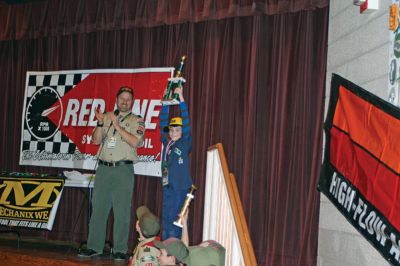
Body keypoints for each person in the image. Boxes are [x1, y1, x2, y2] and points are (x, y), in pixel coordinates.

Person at [78, 86, 145, 261]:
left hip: (123, 170)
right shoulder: (106, 117)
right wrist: (101, 123)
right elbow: (95, 140)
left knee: (122, 211)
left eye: (128, 99)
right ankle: (94, 246)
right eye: (121, 98)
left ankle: (120, 249)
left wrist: (117, 125)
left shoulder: (137, 120)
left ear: (133, 102)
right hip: (103, 169)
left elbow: (136, 142)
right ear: (116, 99)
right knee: (98, 209)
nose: (124, 102)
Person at [159, 85, 193, 240]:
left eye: (177, 130)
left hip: (180, 186)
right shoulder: (167, 143)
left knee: (177, 218)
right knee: (167, 215)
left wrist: (181, 100)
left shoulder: (185, 142)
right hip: (168, 185)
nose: (173, 133)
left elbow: (186, 123)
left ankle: (176, 248)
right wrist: (165, 105)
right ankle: (166, 244)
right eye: (171, 130)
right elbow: (162, 125)